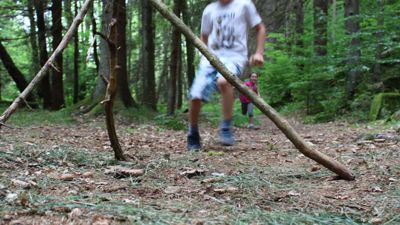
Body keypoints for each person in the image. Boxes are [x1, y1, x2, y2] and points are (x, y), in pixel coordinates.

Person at [187, 0, 266, 151]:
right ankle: (193, 133)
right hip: (210, 58)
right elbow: (204, 36)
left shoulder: (244, 5)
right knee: (196, 95)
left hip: (234, 57)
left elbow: (260, 28)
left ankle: (226, 127)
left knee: (223, 82)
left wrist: (259, 53)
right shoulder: (209, 10)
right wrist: (205, 55)